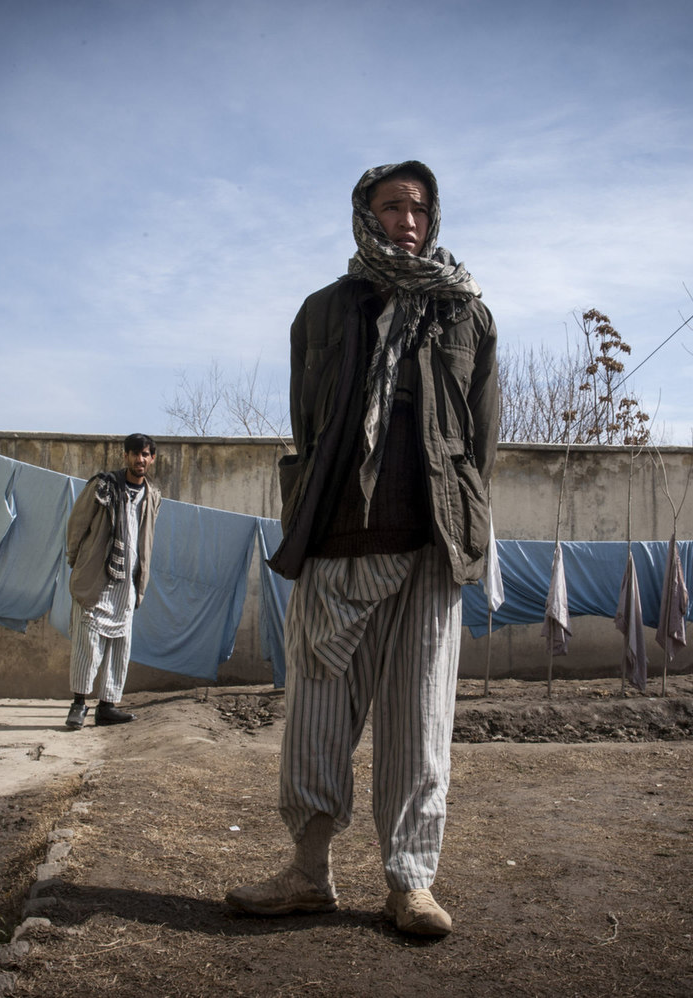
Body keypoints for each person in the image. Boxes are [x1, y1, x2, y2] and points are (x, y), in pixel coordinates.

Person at [226, 161, 498, 936]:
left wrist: (469, 530)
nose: (405, 218)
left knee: (419, 723)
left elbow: (483, 440)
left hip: (431, 546)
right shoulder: (324, 311)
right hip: (339, 541)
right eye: (390, 206)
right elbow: (307, 430)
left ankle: (410, 883)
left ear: (433, 216)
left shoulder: (467, 315)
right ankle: (307, 872)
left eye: (418, 206)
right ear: (364, 214)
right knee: (316, 714)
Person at [63, 433, 162, 729]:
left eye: (145, 454)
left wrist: (139, 578)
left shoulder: (152, 496)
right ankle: (78, 705)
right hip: (96, 577)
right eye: (134, 454)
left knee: (120, 646)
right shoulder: (103, 486)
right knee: (87, 643)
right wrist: (77, 561)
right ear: (126, 456)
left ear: (152, 459)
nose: (139, 459)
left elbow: (147, 539)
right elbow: (77, 526)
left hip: (126, 583)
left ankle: (107, 706)